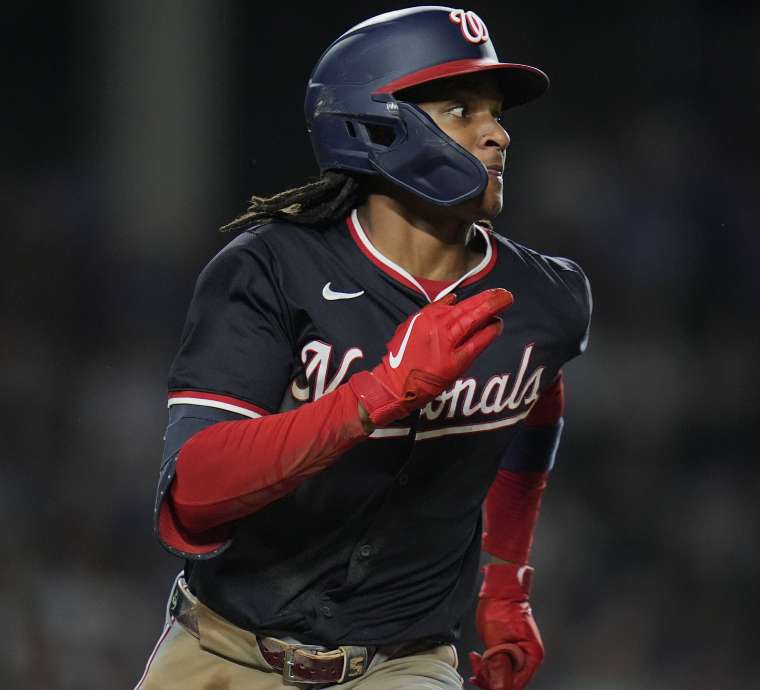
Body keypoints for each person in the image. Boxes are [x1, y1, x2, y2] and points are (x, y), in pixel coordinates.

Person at [135, 7, 591, 690]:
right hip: (225, 650)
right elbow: (194, 492)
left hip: (403, 664)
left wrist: (505, 586)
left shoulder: (548, 296)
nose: (496, 134)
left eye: (496, 114)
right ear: (376, 122)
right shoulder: (271, 270)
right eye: (461, 108)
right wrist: (374, 396)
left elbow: (536, 399)